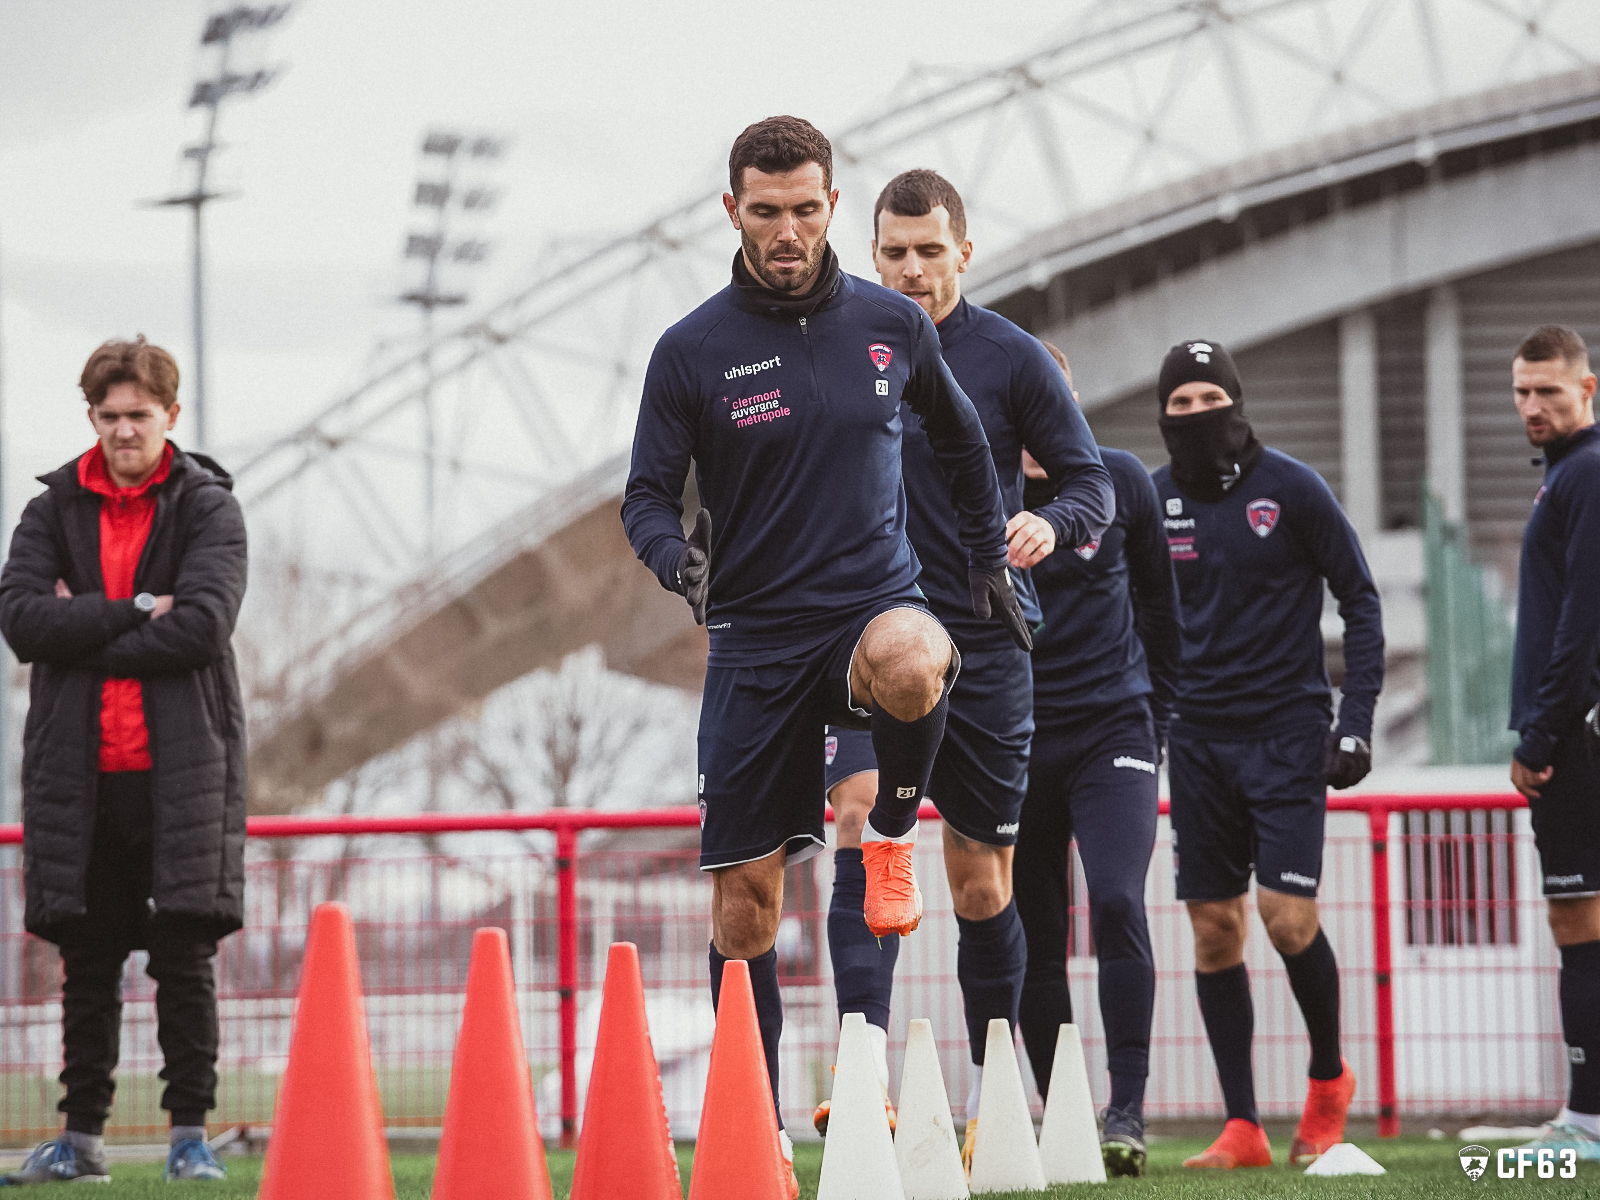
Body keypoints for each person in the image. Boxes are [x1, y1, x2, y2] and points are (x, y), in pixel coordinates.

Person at [621, 120, 1027, 1192]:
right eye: (766, 212)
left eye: (806, 208)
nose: (788, 230)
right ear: (732, 213)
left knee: (912, 658)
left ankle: (891, 832)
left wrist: (984, 556)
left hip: (866, 611)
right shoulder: (691, 350)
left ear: (832, 203)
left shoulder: (892, 324)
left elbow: (960, 438)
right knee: (744, 910)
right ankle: (753, 1120)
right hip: (753, 639)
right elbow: (646, 501)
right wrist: (680, 565)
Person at [815, 170, 1114, 1163]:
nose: (909, 268)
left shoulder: (1012, 359)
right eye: (893, 251)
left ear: (964, 252)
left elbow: (1087, 484)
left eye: (928, 251)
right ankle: (862, 1075)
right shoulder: (832, 347)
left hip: (984, 641)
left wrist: (1049, 520)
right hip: (864, 631)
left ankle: (995, 1095)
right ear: (872, 252)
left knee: (981, 879)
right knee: (861, 817)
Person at [0, 337, 248, 1185]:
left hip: (182, 773)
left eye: (138, 415)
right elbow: (24, 622)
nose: (122, 431)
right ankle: (80, 1142)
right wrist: (140, 608)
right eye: (107, 417)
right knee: (88, 962)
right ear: (92, 419)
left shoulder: (210, 508)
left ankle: (189, 1140)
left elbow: (202, 626)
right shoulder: (50, 511)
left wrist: (86, 628)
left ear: (170, 416)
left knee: (184, 960)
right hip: (80, 775)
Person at [1152, 339, 1383, 1169]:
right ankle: (1243, 1124)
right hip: (1197, 739)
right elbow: (1129, 616)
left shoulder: (1293, 489)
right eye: (1178, 405)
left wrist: (1354, 721)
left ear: (1237, 403)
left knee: (1287, 921)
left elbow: (1360, 600)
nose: (1194, 416)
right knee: (1215, 933)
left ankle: (1327, 1083)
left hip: (1289, 735)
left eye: (1208, 399)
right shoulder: (1152, 500)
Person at [1012, 342, 1179, 1177]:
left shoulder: (1121, 482)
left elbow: (1160, 603)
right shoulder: (981, 494)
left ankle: (1127, 1109)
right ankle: (1063, 1114)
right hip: (1017, 741)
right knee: (1037, 936)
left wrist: (1162, 720)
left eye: (1057, 400)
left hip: (1115, 729)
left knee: (1117, 900)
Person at [1505, 325, 1600, 1162]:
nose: (1533, 406)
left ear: (1588, 389)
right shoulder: (1566, 477)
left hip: (1576, 738)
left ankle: (1587, 1124)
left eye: (1549, 392)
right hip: (1573, 730)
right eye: (1522, 392)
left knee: (1578, 921)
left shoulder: (1588, 474)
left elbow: (1582, 618)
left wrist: (1541, 733)